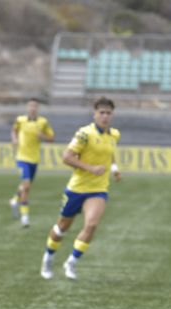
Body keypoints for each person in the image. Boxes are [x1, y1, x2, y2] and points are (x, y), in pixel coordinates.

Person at [40, 97, 120, 280]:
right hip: (77, 188)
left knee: (91, 224)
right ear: (95, 114)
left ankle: (71, 262)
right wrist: (91, 168)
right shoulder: (84, 134)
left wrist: (115, 169)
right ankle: (48, 257)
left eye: (108, 113)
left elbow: (110, 154)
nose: (105, 116)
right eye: (102, 112)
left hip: (99, 189)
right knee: (61, 229)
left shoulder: (114, 135)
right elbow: (67, 157)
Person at [9, 98, 54, 227]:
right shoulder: (20, 120)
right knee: (27, 186)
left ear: (38, 108)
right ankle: (25, 217)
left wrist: (43, 137)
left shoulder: (43, 122)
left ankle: (14, 200)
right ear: (27, 107)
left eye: (35, 106)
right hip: (22, 158)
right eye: (30, 106)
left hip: (35, 159)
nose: (32, 108)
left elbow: (51, 138)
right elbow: (14, 130)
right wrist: (14, 139)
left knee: (25, 186)